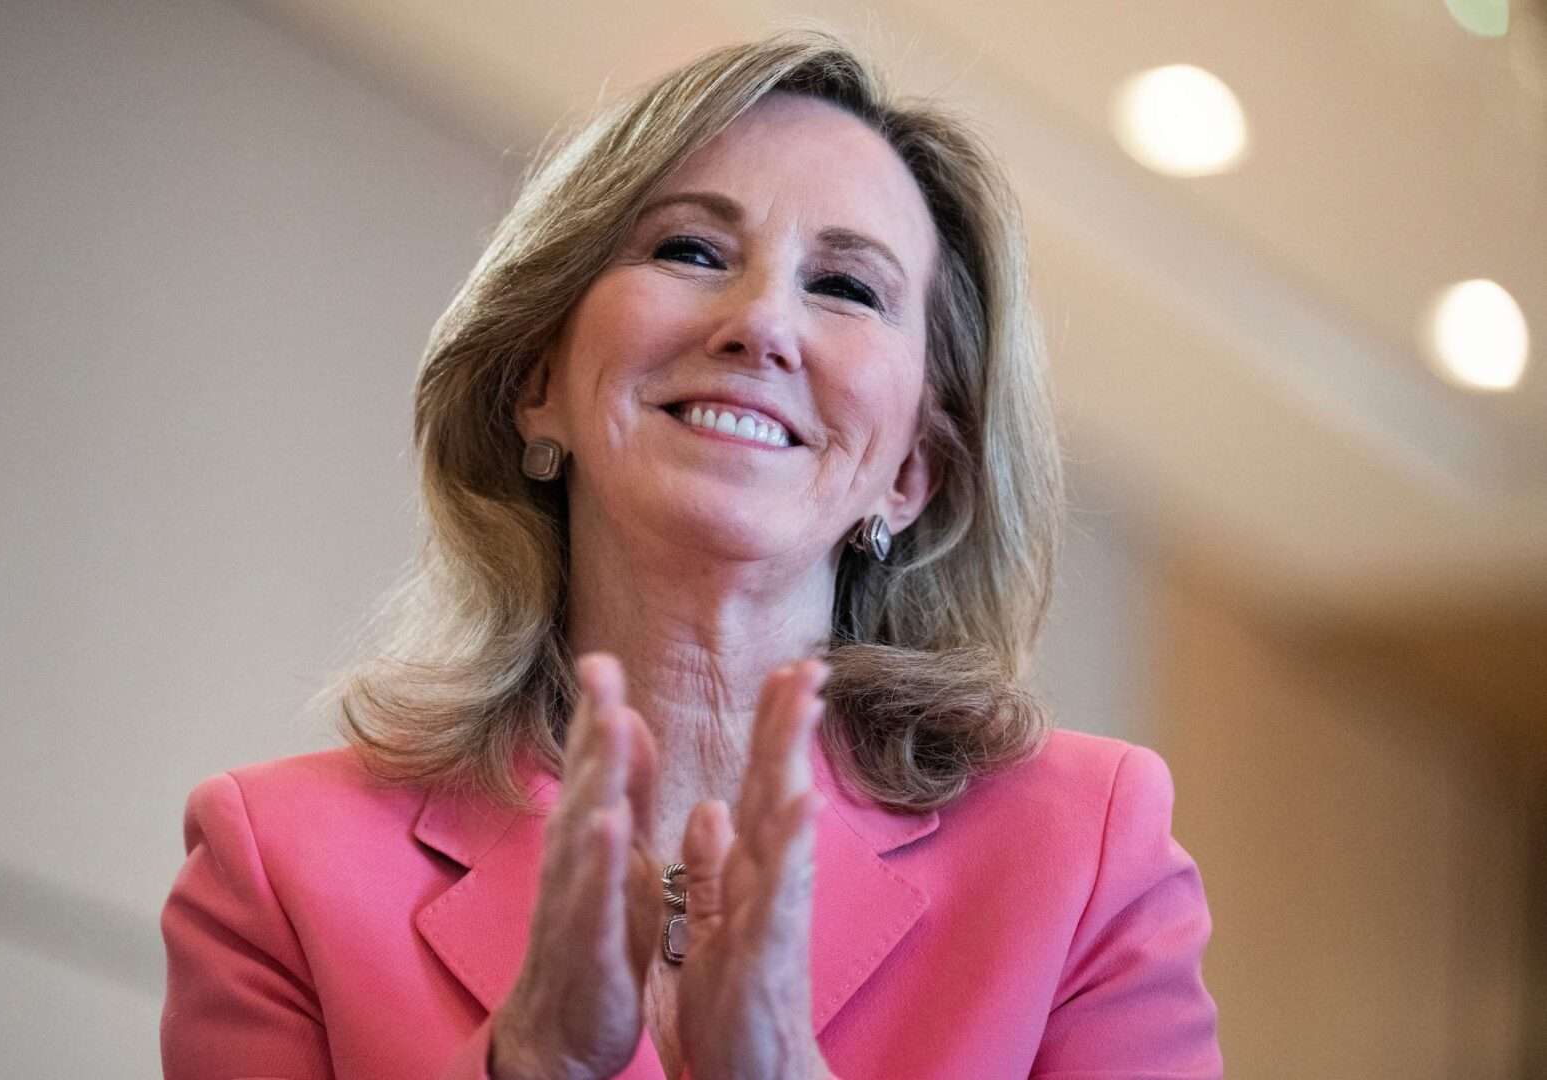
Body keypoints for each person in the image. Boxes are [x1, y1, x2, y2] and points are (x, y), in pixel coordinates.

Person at [160, 30, 1221, 1080]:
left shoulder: (1082, 856)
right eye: (690, 251)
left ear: (912, 472)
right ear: (537, 381)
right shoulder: (278, 863)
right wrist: (525, 1067)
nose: (760, 323)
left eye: (847, 286)